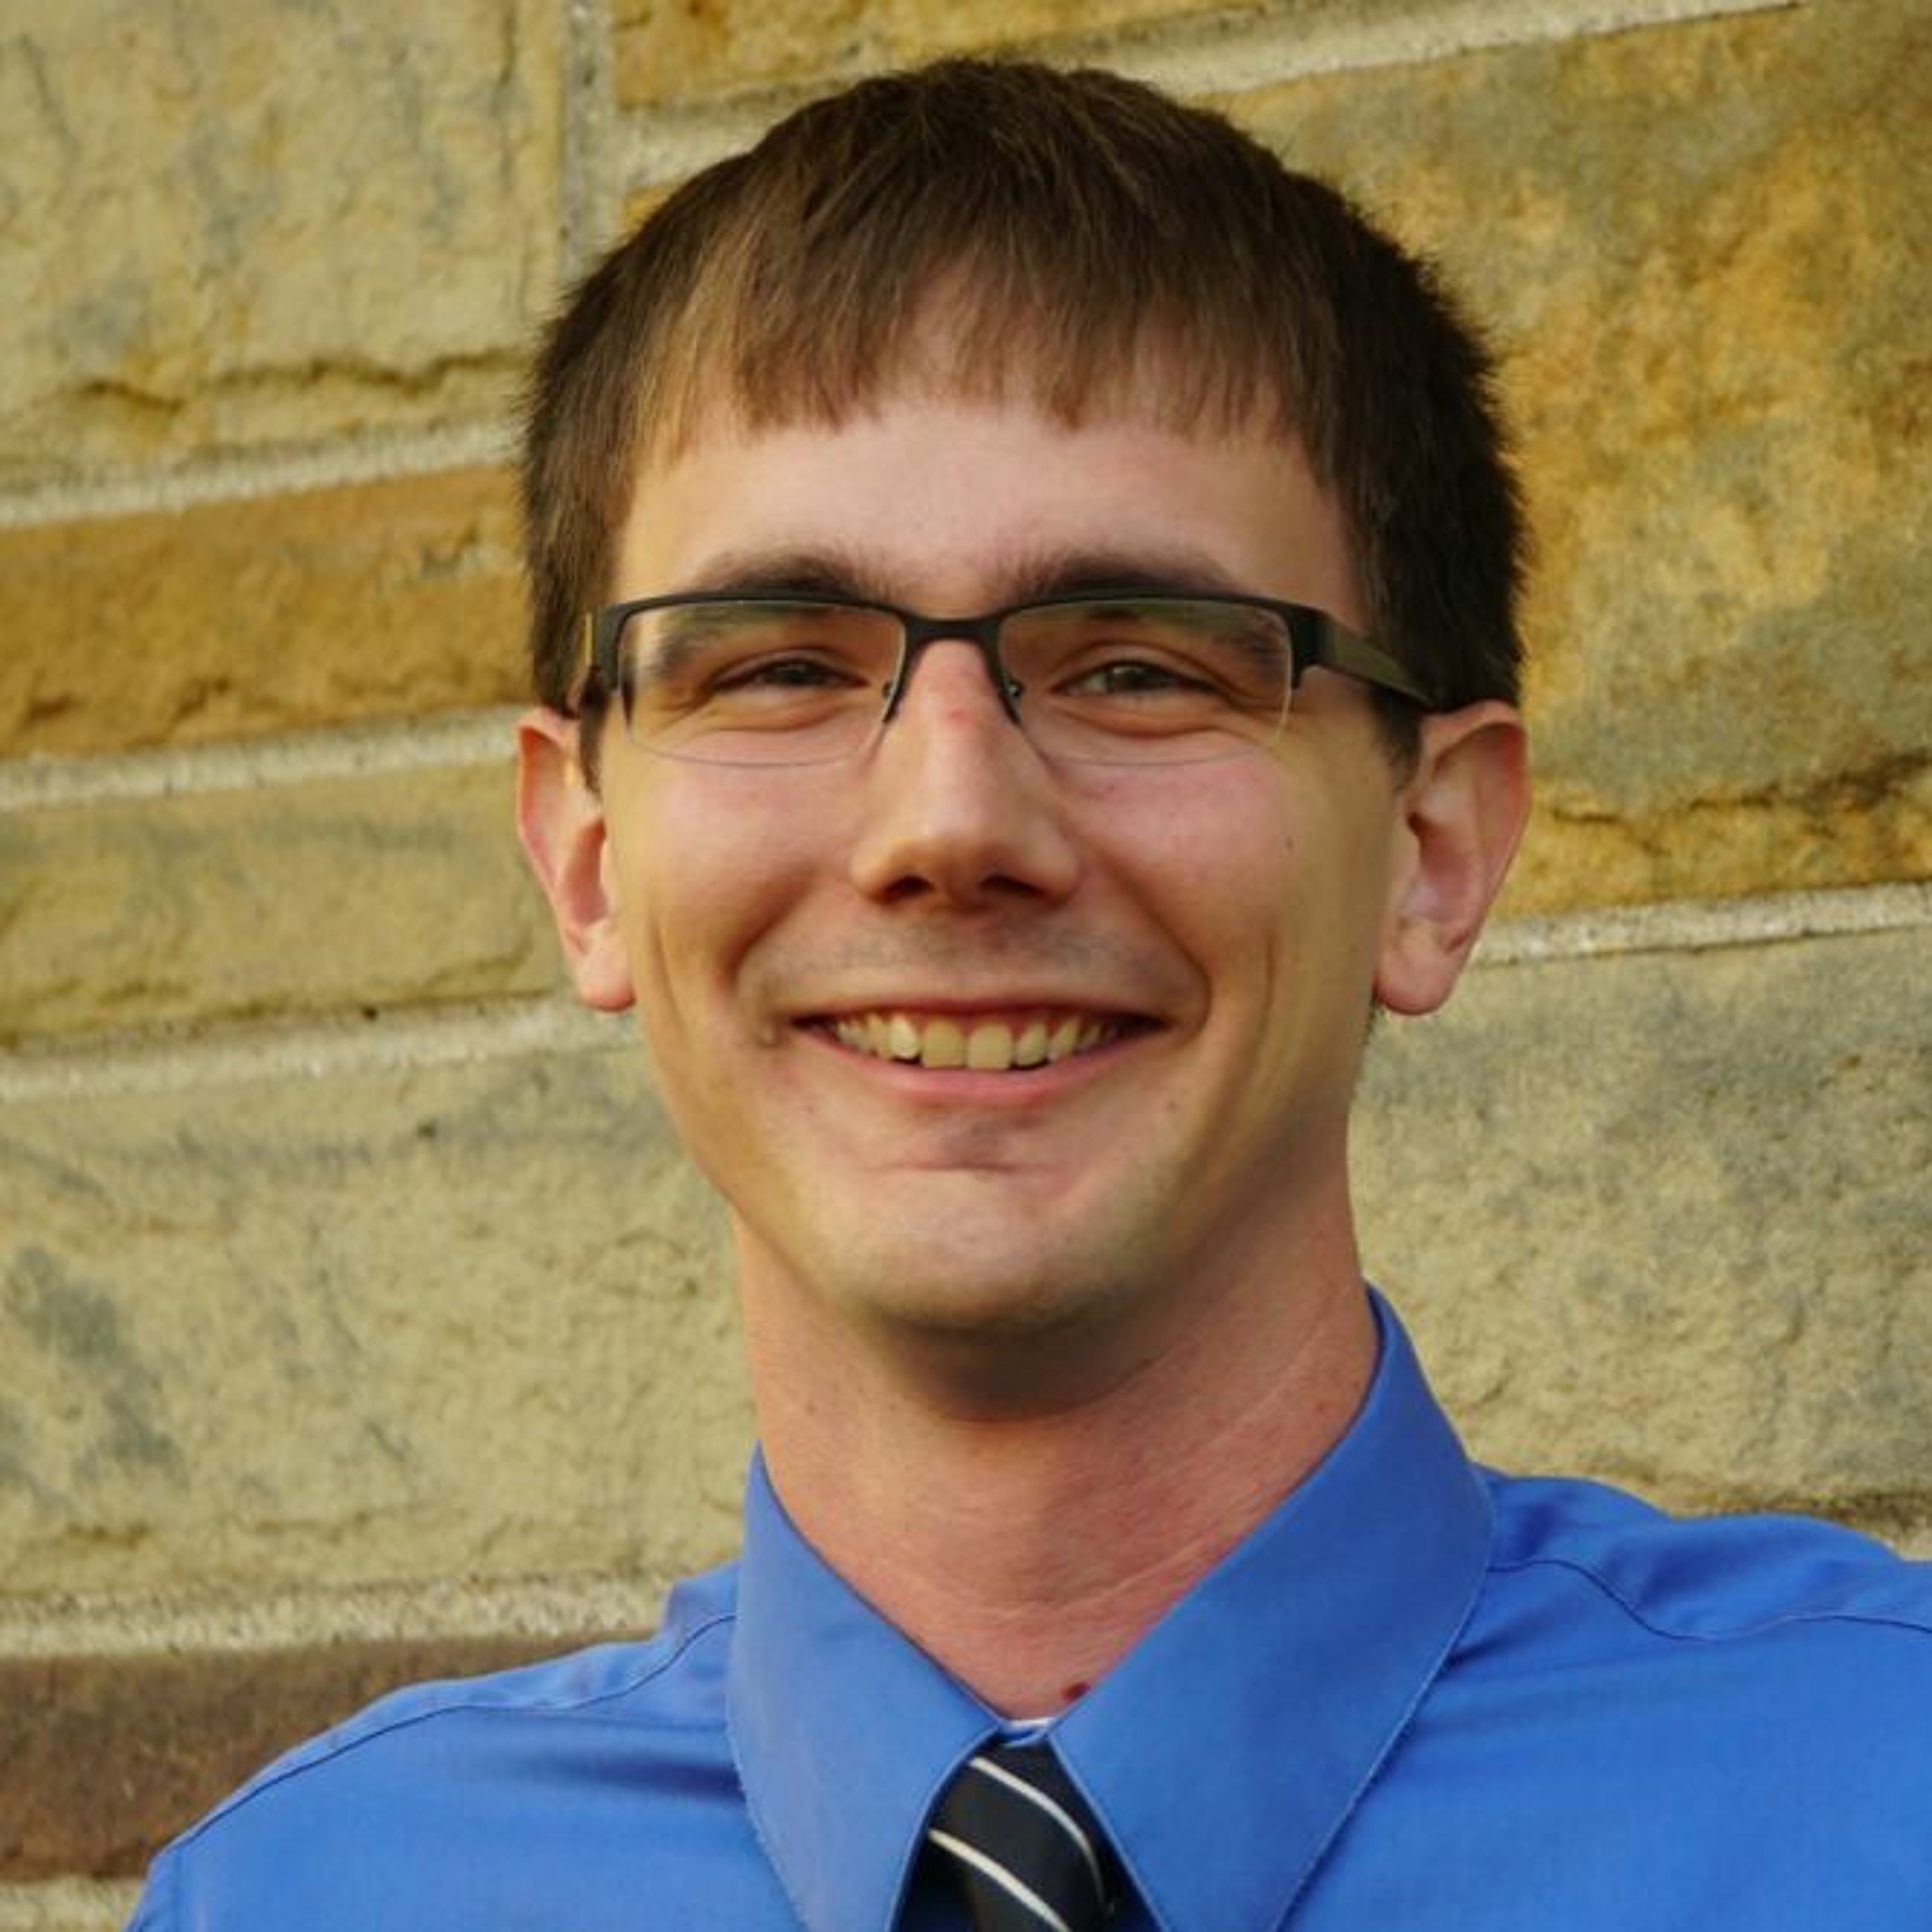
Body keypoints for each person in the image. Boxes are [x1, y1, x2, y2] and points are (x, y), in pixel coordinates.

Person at [128, 57, 1929, 1931]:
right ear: (586, 863)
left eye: (1140, 667)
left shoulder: (1892, 1799)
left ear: (1432, 848)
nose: (952, 822)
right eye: (778, 668)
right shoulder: (298, 1899)